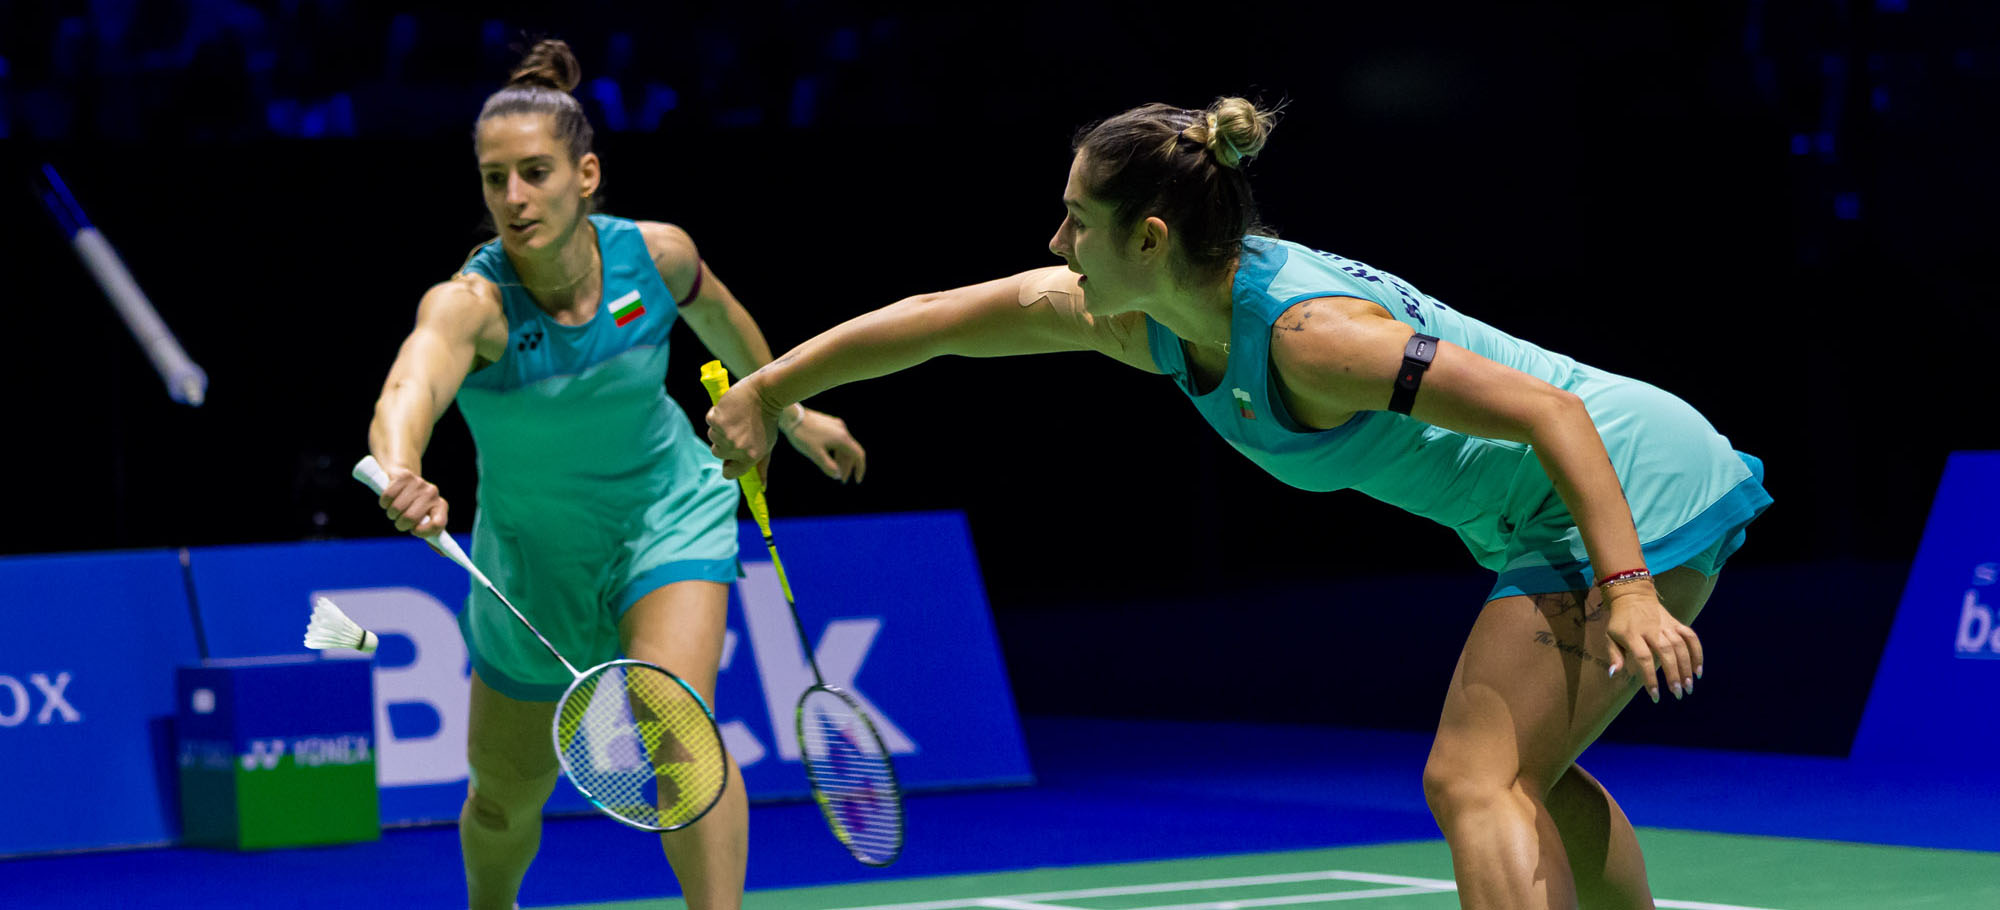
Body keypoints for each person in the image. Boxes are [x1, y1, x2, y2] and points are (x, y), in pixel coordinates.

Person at [705, 97, 1771, 910]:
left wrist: (1628, 586)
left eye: (1076, 221)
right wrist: (769, 388)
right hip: (1541, 512)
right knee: (1523, 772)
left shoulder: (1312, 338)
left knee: (1472, 779)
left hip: (1628, 480)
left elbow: (1548, 411)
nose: (1056, 246)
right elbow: (941, 318)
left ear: (1150, 239)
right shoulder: (1149, 322)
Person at [366, 39, 865, 910]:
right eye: (494, 180)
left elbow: (725, 322)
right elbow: (407, 390)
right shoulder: (471, 306)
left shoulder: (655, 257)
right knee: (502, 801)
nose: (513, 199)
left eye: (534, 174)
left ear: (586, 175)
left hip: (664, 516)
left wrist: (791, 412)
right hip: (532, 560)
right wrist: (402, 469)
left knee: (677, 730)